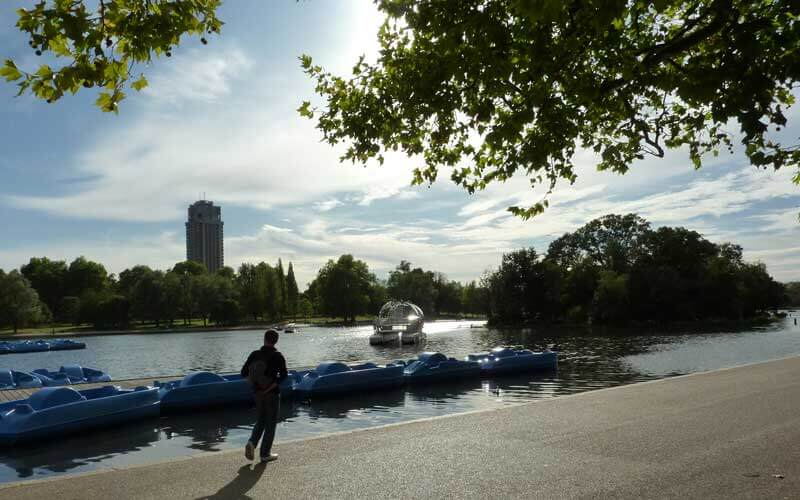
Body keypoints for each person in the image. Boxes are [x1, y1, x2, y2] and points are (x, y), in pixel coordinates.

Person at [241, 328, 287, 463]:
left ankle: (252, 443)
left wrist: (255, 385)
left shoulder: (254, 354)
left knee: (260, 420)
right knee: (271, 423)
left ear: (264, 339)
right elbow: (283, 375)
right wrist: (273, 385)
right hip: (271, 393)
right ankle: (265, 454)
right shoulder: (278, 355)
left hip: (257, 393)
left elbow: (243, 372)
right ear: (276, 341)